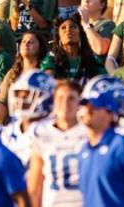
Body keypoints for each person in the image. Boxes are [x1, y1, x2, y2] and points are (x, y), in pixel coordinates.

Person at [77, 76, 124, 207]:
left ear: (111, 113)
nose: (88, 110)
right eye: (86, 104)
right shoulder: (84, 149)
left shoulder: (122, 146)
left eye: (95, 106)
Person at [27, 79, 87, 207]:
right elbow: (35, 186)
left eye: (71, 98)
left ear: (79, 103)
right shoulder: (41, 132)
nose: (65, 103)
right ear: (53, 101)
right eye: (60, 98)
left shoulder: (90, 133)